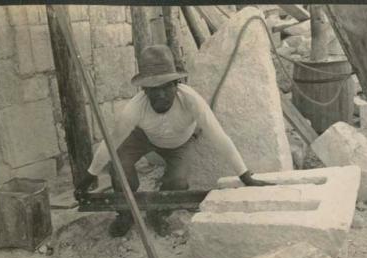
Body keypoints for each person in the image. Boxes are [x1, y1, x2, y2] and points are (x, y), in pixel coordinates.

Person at [76, 44, 272, 237]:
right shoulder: (134, 109)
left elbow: (219, 136)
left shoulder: (191, 100)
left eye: (166, 87)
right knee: (118, 166)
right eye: (154, 89)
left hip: (179, 143)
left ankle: (159, 213)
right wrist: (90, 174)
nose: (161, 94)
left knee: (178, 182)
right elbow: (112, 142)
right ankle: (126, 213)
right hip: (144, 137)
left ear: (176, 85)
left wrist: (245, 175)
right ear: (144, 90)